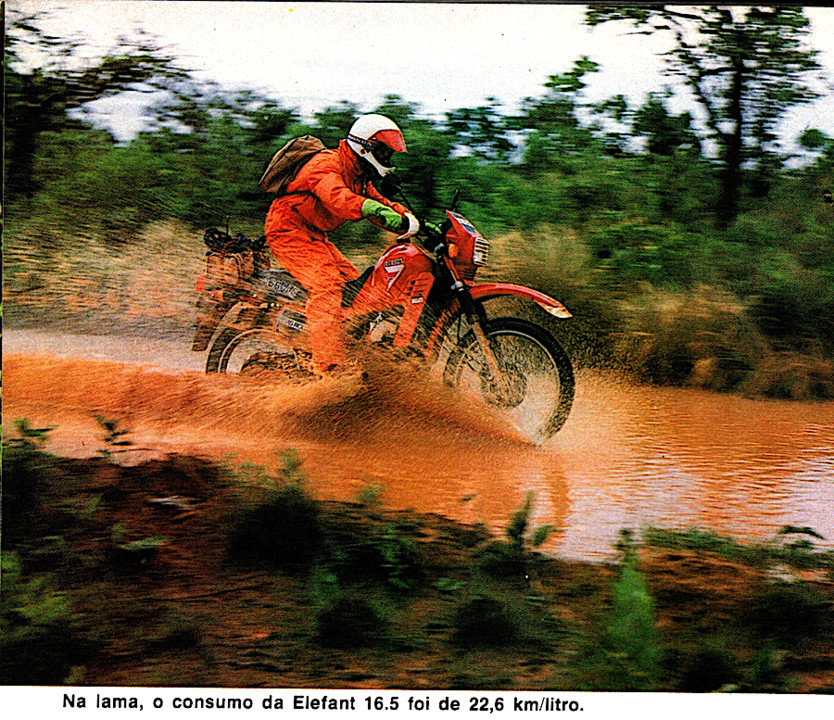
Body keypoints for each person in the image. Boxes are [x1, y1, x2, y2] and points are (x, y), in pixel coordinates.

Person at [263, 113, 419, 378]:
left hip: (314, 236)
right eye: (384, 152)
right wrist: (368, 207)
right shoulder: (326, 164)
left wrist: (412, 220)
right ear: (365, 146)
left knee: (356, 290)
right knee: (327, 285)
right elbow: (339, 198)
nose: (387, 160)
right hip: (288, 230)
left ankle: (346, 349)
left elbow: (381, 202)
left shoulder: (358, 176)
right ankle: (329, 366)